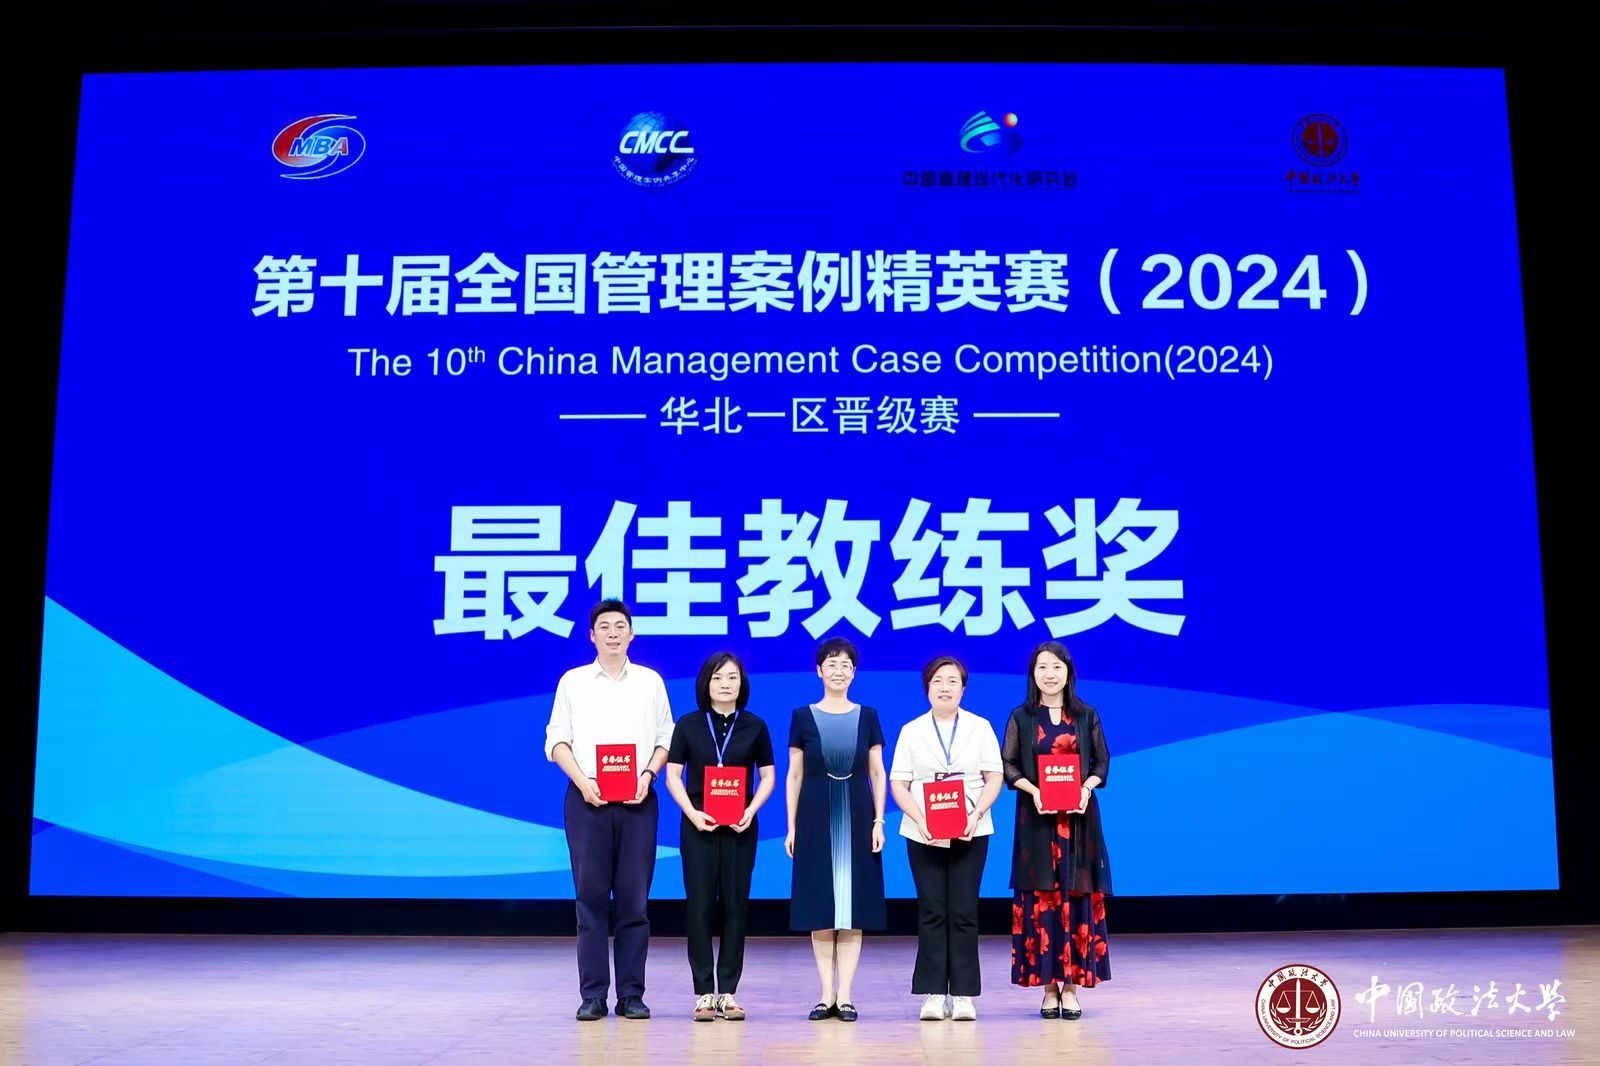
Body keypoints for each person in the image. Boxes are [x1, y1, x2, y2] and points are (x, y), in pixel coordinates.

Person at [544, 599, 673, 1022]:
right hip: (586, 801)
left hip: (638, 801)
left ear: (631, 634)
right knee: (591, 900)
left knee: (635, 902)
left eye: (620, 626)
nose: (613, 633)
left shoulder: (650, 682)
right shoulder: (573, 682)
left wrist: (648, 776)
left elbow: (665, 737)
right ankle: (593, 995)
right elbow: (557, 741)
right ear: (592, 635)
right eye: (605, 626)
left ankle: (632, 994)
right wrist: (584, 782)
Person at [1001, 640, 1114, 1020]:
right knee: (1041, 900)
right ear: (1032, 674)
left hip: (1078, 822)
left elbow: (1101, 762)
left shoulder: (1086, 715)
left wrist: (1086, 788)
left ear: (1068, 673)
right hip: (1036, 822)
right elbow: (1008, 764)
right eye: (1042, 668)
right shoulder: (1021, 716)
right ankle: (1049, 989)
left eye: (1056, 667)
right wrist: (1033, 791)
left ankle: (1072, 989)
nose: (1049, 675)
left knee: (1078, 898)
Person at [663, 651, 776, 1022]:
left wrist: (751, 810)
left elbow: (768, 776)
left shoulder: (755, 726)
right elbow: (673, 776)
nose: (725, 684)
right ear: (705, 683)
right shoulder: (689, 724)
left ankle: (727, 992)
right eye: (717, 677)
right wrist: (692, 813)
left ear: (742, 683)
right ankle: (702, 994)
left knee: (735, 907)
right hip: (699, 826)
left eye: (732, 677)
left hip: (740, 827)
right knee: (698, 907)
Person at [889, 655, 1003, 1022]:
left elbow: (994, 777)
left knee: (964, 910)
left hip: (971, 828)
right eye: (937, 681)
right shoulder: (911, 730)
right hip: (923, 831)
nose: (945, 687)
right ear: (927, 688)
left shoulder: (980, 727)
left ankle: (965, 994)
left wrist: (977, 813)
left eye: (952, 681)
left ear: (963, 689)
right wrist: (919, 818)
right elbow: (899, 783)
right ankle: (934, 993)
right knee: (932, 910)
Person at [785, 636, 887, 1022]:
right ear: (819, 671)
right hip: (814, 814)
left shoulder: (868, 716)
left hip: (858, 812)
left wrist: (879, 820)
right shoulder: (802, 716)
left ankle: (845, 996)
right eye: (832, 664)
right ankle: (825, 994)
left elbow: (877, 772)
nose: (839, 671)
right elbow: (795, 775)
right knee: (819, 906)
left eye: (846, 665)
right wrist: (791, 826)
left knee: (853, 907)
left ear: (854, 673)